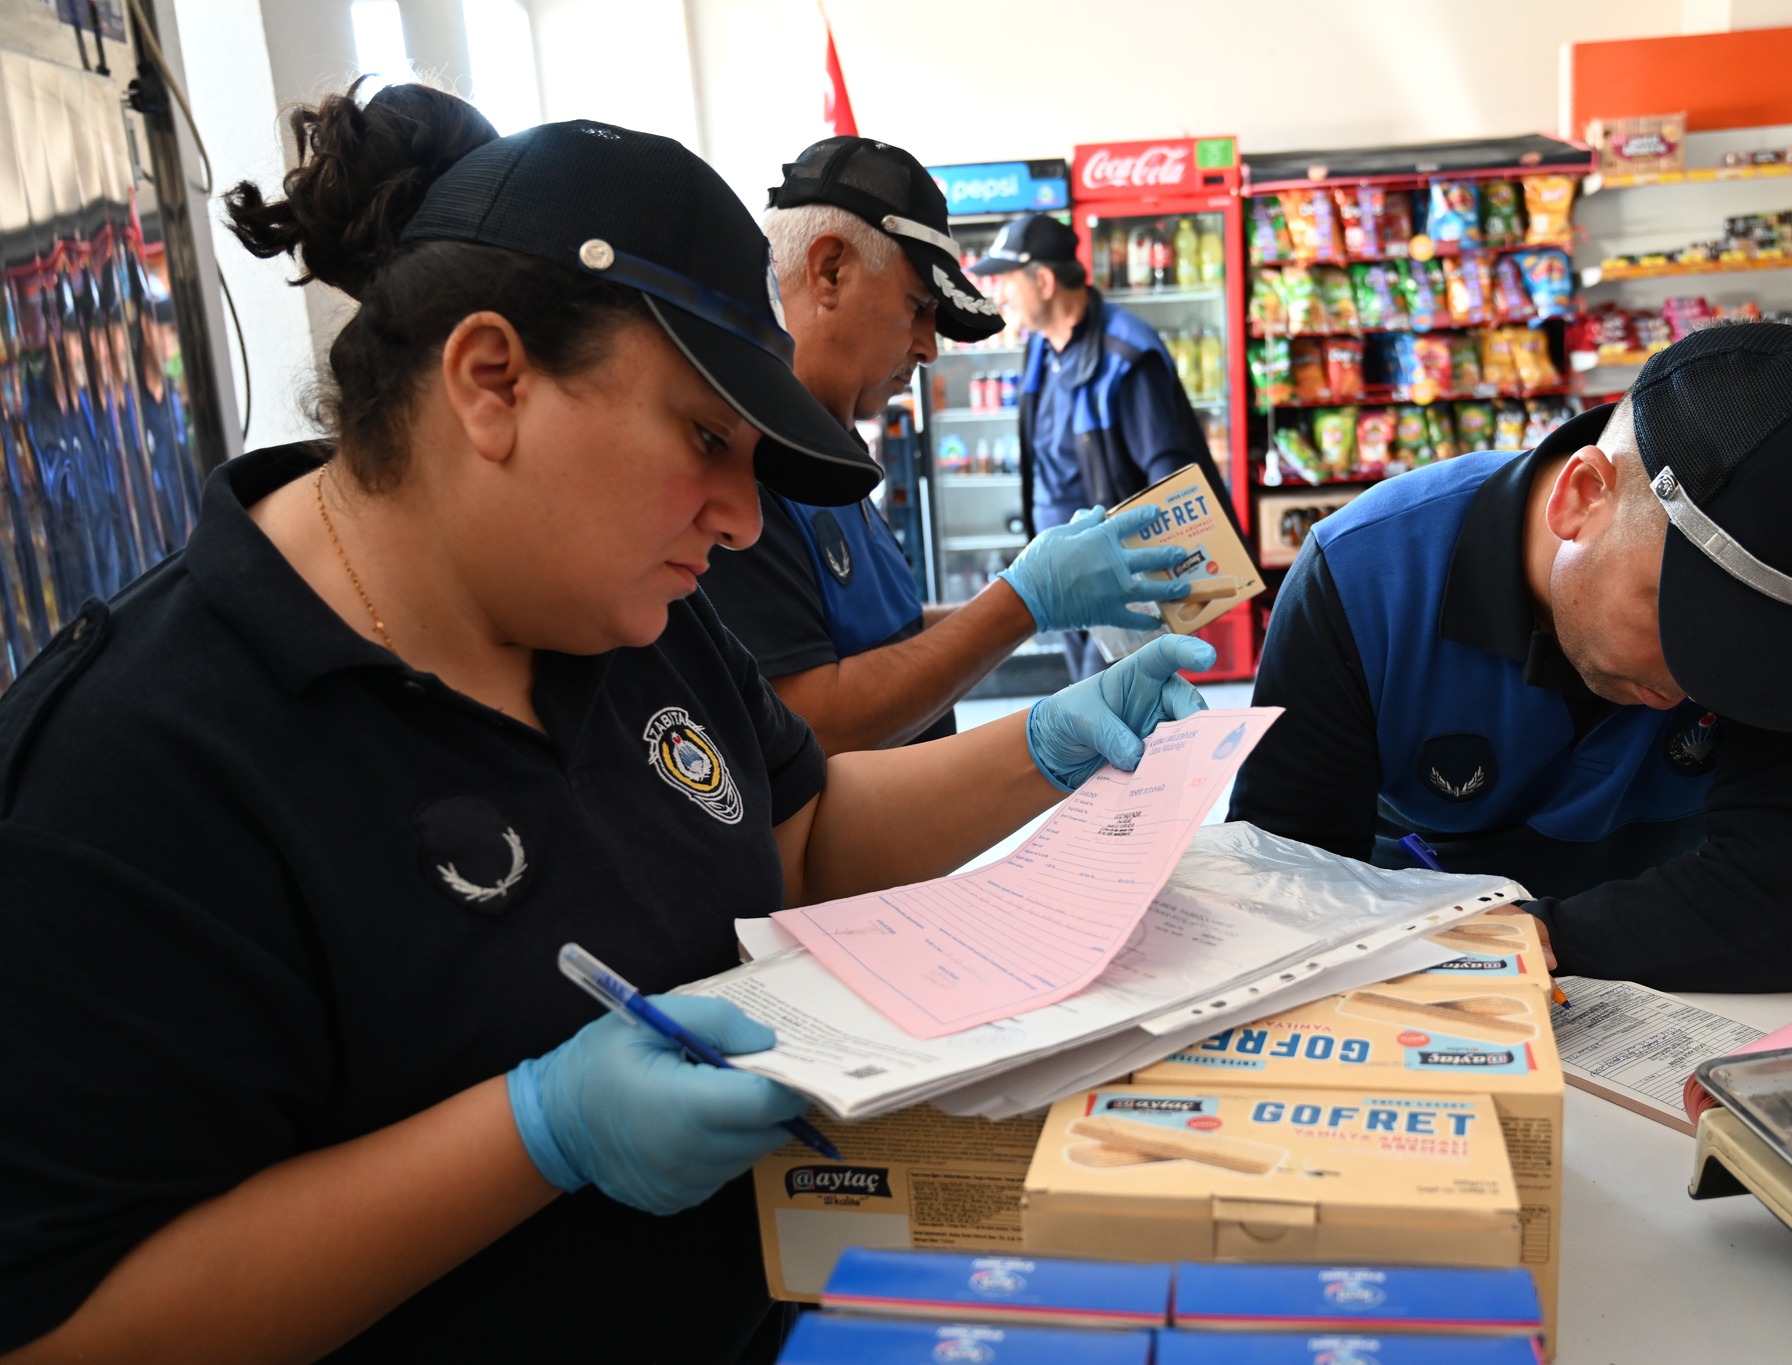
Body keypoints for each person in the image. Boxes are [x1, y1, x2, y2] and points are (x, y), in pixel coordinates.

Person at [0, 85, 1215, 1364]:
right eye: (705, 439)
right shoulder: (130, 770)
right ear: (489, 380)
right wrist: (536, 1134)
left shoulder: (632, 621)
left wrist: (1047, 748)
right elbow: (68, 1325)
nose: (743, 519)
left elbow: (798, 834)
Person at [1228, 324, 1792, 992]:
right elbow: (1285, 893)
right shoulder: (1360, 579)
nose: (1694, 686)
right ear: (1582, 496)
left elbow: (1784, 903)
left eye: (1761, 653)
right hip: (1409, 973)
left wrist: (1540, 933)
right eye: (1691, 622)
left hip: (1673, 1011)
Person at [699, 136, 1191, 754]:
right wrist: (1022, 605)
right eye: (918, 307)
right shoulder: (747, 462)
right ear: (830, 270)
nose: (930, 347)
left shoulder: (825, 449)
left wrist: (1034, 603)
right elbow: (808, 720)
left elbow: (886, 636)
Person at [972, 214, 1232, 680]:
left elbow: (1169, 478)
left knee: (1114, 706)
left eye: (1006, 281)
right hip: (1057, 572)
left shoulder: (1126, 356)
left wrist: (1172, 589)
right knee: (1091, 702)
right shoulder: (1040, 347)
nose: (999, 294)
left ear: (1045, 281)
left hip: (1115, 580)